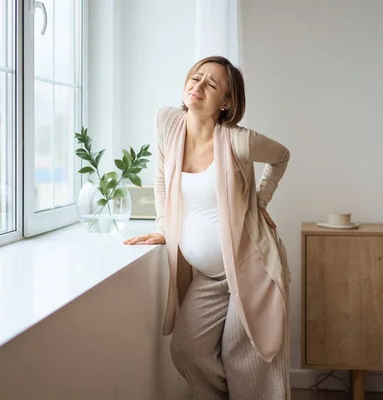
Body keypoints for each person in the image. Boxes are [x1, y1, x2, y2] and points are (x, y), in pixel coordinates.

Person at [124, 55, 291, 400]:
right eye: (195, 77)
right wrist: (165, 229)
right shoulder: (168, 124)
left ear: (227, 103)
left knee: (244, 360)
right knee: (187, 351)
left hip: (250, 270)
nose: (198, 86)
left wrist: (260, 201)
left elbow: (281, 156)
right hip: (209, 276)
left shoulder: (237, 140)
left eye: (211, 84)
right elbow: (161, 180)